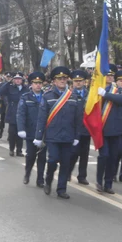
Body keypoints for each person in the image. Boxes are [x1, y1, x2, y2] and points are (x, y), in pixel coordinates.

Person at [34, 66, 82, 199]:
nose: (62, 80)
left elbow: (78, 118)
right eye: (59, 79)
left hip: (68, 135)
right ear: (54, 81)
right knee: (53, 160)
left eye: (64, 78)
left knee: (66, 163)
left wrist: (77, 136)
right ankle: (48, 180)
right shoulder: (47, 96)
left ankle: (61, 189)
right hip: (52, 135)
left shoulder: (73, 96)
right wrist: (39, 136)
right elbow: (42, 117)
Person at [96, 64, 122, 194]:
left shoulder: (117, 90)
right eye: (107, 75)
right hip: (102, 129)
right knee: (104, 156)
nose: (109, 77)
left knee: (113, 157)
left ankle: (108, 183)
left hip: (115, 130)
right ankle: (99, 181)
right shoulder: (96, 89)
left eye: (111, 75)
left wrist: (105, 94)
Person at [17, 71, 47, 187]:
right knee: (31, 155)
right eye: (35, 83)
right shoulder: (25, 97)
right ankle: (27, 173)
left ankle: (40, 179)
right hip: (30, 131)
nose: (38, 85)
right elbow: (21, 114)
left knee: (42, 157)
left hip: (43, 132)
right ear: (31, 84)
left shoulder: (46, 96)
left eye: (40, 83)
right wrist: (21, 129)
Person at [68, 69, 90, 185]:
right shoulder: (69, 94)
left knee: (84, 154)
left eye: (80, 81)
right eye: (76, 81)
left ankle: (82, 176)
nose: (78, 83)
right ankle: (67, 172)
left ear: (84, 82)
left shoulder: (90, 94)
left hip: (86, 129)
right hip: (74, 129)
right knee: (73, 153)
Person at [0, 72, 29, 156]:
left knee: (21, 133)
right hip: (12, 112)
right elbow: (1, 91)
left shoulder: (26, 89)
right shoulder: (10, 87)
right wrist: (8, 82)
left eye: (19, 79)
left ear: (22, 80)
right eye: (16, 79)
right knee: (12, 133)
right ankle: (11, 149)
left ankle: (19, 150)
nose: (18, 81)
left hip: (22, 113)